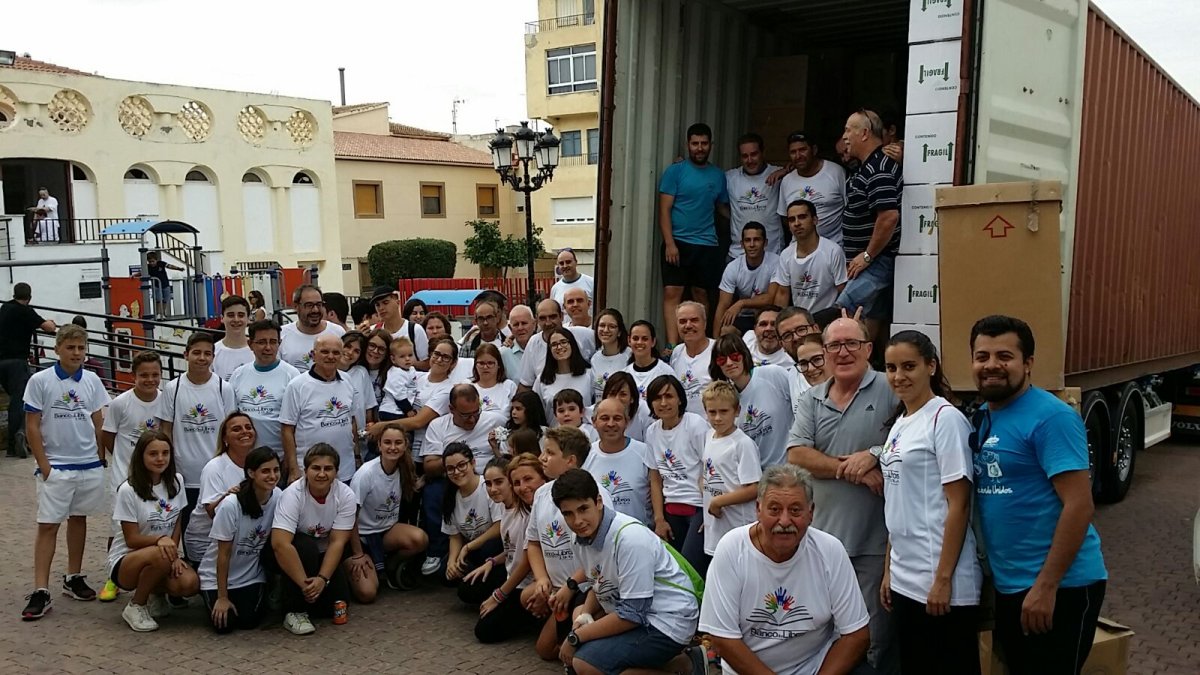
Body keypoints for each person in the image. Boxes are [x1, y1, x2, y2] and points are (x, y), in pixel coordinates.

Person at [968, 315, 1107, 674]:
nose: (992, 366)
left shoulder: (1051, 418)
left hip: (1060, 588)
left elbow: (1079, 505)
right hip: (1011, 586)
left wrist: (1047, 587)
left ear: (1028, 364)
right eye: (982, 357)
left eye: (1004, 356)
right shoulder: (984, 416)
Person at [786, 316, 897, 672]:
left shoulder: (890, 387)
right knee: (824, 637)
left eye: (852, 344)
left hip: (875, 545)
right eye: (834, 346)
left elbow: (916, 435)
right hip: (821, 544)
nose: (843, 352)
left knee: (872, 642)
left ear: (868, 349)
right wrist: (851, 471)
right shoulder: (812, 399)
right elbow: (797, 454)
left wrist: (875, 454)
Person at [877, 331, 983, 674]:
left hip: (939, 577)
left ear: (931, 366)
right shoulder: (901, 423)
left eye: (909, 366)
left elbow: (960, 505)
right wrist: (889, 570)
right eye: (891, 368)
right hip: (906, 575)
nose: (899, 376)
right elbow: (898, 502)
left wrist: (942, 579)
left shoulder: (945, 419)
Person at [699, 464, 870, 674]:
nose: (785, 521)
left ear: (811, 513)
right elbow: (723, 638)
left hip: (816, 667)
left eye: (796, 510)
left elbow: (857, 635)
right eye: (775, 509)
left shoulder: (830, 550)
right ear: (758, 510)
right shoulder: (732, 549)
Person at [552, 468, 702, 675]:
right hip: (638, 613)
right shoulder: (579, 535)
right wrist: (585, 615)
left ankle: (688, 668)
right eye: (568, 513)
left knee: (585, 664)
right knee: (580, 620)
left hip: (667, 620)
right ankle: (683, 664)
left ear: (598, 501)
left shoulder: (630, 537)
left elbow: (633, 614)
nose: (577, 521)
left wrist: (576, 637)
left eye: (583, 509)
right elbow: (598, 579)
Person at [21, 324, 108, 620]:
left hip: (87, 464)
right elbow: (32, 424)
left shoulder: (93, 380)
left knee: (79, 518)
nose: (76, 353)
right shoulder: (40, 380)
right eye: (70, 347)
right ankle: (40, 589)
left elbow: (98, 420)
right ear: (57, 349)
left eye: (81, 348)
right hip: (56, 464)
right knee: (48, 524)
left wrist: (100, 455)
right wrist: (44, 465)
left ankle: (74, 576)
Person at [267, 444, 364, 635]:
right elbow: (280, 544)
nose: (321, 474)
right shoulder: (292, 494)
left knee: (335, 605)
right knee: (305, 546)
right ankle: (293, 609)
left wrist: (322, 580)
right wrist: (305, 585)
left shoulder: (345, 495)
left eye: (328, 469)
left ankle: (305, 598)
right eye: (316, 468)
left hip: (324, 552)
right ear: (306, 471)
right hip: (291, 553)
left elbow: (337, 542)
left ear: (336, 472)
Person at [107, 430, 199, 631]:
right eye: (153, 454)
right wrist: (161, 540)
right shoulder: (128, 490)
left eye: (165, 453)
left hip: (164, 552)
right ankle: (136, 605)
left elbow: (177, 520)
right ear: (141, 456)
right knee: (161, 554)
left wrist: (174, 551)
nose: (160, 459)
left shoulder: (177, 481)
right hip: (127, 561)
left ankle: (157, 594)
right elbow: (131, 539)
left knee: (189, 584)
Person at [158, 331, 236, 541]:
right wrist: (168, 468)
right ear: (186, 355)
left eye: (207, 354)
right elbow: (165, 430)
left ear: (213, 357)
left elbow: (232, 431)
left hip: (217, 477)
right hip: (184, 476)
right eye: (196, 353)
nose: (202, 358)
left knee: (220, 533)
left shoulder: (224, 388)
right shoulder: (172, 389)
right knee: (188, 532)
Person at [99, 349, 163, 601]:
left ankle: (157, 578)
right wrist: (129, 463)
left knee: (156, 523)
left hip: (156, 478)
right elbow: (108, 436)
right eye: (144, 375)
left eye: (155, 375)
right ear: (133, 375)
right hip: (123, 477)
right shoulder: (120, 403)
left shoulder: (165, 399)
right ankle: (112, 577)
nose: (150, 380)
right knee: (118, 530)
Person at [659, 122, 731, 344]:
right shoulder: (675, 172)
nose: (699, 148)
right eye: (695, 144)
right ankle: (672, 345)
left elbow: (723, 208)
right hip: (678, 243)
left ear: (711, 145)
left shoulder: (718, 175)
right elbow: (664, 210)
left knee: (702, 296)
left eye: (704, 143)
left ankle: (703, 343)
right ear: (688, 145)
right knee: (673, 294)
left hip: (707, 245)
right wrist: (670, 243)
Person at [198, 446, 281, 633]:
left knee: (249, 621)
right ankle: (210, 595)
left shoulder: (279, 497)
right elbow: (223, 553)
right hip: (217, 576)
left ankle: (273, 590)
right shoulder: (231, 505)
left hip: (250, 575)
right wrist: (222, 597)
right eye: (265, 471)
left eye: (276, 470)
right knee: (224, 625)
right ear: (251, 473)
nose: (272, 476)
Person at [838, 110, 902, 341]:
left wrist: (867, 255)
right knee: (868, 321)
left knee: (844, 313)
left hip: (877, 261)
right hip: (870, 261)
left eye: (848, 129)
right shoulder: (868, 166)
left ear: (864, 133)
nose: (844, 136)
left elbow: (889, 216)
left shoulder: (878, 168)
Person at [474, 453, 546, 643]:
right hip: (511, 571)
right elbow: (512, 546)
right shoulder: (506, 508)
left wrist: (498, 596)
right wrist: (491, 561)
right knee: (470, 587)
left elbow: (526, 560)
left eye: (499, 482)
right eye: (488, 484)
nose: (493, 489)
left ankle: (531, 617)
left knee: (484, 631)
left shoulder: (528, 513)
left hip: (526, 580)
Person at [643, 374, 709, 572]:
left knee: (691, 567)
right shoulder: (652, 431)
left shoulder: (695, 424)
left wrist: (709, 513)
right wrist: (659, 519)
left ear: (679, 399)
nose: (664, 402)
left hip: (697, 507)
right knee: (672, 569)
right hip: (670, 508)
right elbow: (655, 478)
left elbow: (711, 469)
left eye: (669, 396)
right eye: (658, 398)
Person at [350, 426, 428, 591]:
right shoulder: (366, 474)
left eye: (398, 442)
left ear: (405, 445)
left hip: (387, 530)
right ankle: (364, 562)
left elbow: (412, 486)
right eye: (387, 442)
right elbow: (350, 517)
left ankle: (390, 565)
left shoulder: (404, 467)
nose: (393, 447)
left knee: (419, 539)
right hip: (362, 535)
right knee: (368, 592)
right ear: (379, 445)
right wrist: (358, 553)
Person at [279, 334, 360, 484]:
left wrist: (357, 456)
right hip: (310, 471)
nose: (330, 356)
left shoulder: (347, 381)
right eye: (324, 352)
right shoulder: (297, 386)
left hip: (346, 469)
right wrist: (293, 468)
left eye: (336, 352)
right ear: (313, 354)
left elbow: (352, 421)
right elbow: (287, 430)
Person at [182, 412, 260, 565]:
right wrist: (227, 496)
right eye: (237, 429)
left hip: (243, 540)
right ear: (225, 438)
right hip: (207, 542)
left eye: (248, 427)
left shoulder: (259, 465)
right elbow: (212, 512)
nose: (244, 431)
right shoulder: (214, 467)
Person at [708, 333, 794, 468]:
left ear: (744, 355)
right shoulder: (728, 399)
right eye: (722, 360)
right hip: (759, 476)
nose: (729, 363)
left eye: (735, 356)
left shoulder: (774, 374)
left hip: (790, 468)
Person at [582, 398, 665, 535]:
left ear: (627, 422)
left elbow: (657, 489)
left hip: (641, 535)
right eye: (604, 418)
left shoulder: (644, 452)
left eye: (617, 418)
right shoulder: (585, 456)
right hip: (600, 538)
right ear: (594, 422)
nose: (611, 424)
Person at [699, 380, 761, 566]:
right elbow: (706, 475)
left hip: (737, 525)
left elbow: (754, 488)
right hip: (715, 527)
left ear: (737, 411)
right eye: (712, 412)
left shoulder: (742, 444)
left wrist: (718, 502)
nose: (717, 418)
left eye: (724, 411)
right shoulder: (709, 436)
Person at [441, 443, 505, 604]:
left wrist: (468, 546)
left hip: (494, 548)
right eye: (450, 468)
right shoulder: (450, 496)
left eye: (462, 465)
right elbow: (454, 535)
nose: (456, 472)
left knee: (488, 548)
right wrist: (452, 561)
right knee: (445, 570)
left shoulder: (487, 486)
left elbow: (499, 526)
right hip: (472, 551)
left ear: (473, 463)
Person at [229, 319, 301, 458]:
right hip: (246, 458)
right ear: (250, 344)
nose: (268, 347)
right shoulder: (238, 374)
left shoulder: (292, 375)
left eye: (273, 342)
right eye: (261, 342)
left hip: (280, 458)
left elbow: (296, 424)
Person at [0, 282, 57, 457]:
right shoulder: (25, 311)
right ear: (29, 297)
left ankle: (19, 437)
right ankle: (15, 442)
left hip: (1, 362)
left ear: (14, 294)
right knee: (20, 401)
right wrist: (51, 323)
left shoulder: (5, 308)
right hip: (17, 362)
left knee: (15, 399)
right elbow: (48, 327)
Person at [770, 199, 848, 312]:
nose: (797, 223)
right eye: (792, 219)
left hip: (828, 319)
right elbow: (783, 293)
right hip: (800, 320)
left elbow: (843, 291)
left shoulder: (833, 251)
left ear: (815, 220)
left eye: (802, 217)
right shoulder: (786, 255)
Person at [776, 131, 848, 246]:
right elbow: (785, 217)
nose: (798, 156)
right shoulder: (787, 181)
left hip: (833, 248)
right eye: (793, 152)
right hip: (799, 250)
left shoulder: (836, 172)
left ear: (814, 150)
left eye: (802, 150)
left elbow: (849, 209)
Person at [714, 223, 781, 334]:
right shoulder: (733, 267)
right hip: (744, 317)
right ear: (742, 244)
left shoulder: (776, 262)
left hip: (768, 316)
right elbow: (723, 305)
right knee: (726, 330)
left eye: (757, 240)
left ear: (765, 243)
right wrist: (715, 341)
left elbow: (770, 298)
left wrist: (741, 303)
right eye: (747, 240)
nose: (752, 244)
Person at [726, 133, 783, 257]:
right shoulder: (730, 178)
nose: (750, 160)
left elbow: (802, 168)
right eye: (745, 156)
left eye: (754, 154)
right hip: (738, 254)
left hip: (772, 253)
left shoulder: (777, 174)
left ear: (763, 152)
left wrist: (786, 171)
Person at [518, 299, 597, 390]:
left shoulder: (583, 335)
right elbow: (525, 384)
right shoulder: (533, 343)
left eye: (552, 317)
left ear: (561, 316)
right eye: (543, 318)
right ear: (537, 320)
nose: (548, 322)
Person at [279, 285, 347, 372]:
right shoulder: (282, 334)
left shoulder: (337, 332)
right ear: (296, 306)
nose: (315, 310)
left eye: (319, 305)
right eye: (309, 305)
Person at [533, 328, 594, 424]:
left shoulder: (589, 375)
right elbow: (537, 413)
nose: (559, 347)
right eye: (554, 344)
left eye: (563, 342)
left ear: (572, 344)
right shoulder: (542, 380)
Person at [669, 301, 716, 413]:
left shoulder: (718, 350)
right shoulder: (677, 352)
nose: (688, 325)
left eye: (694, 320)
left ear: (704, 323)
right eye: (682, 321)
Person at [371, 287, 430, 363]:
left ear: (397, 302)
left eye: (385, 302)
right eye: (377, 305)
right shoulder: (373, 330)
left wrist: (405, 363)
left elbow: (426, 363)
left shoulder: (415, 330)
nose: (381, 308)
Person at [340, 331, 379, 439]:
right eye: (347, 346)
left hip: (359, 439)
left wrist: (369, 425)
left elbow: (368, 406)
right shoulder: (327, 372)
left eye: (356, 351)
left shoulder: (361, 372)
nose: (350, 352)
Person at [622, 320, 675, 400]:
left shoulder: (666, 372)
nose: (639, 342)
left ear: (653, 342)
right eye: (635, 338)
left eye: (645, 339)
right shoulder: (624, 374)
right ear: (629, 341)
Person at [492, 390, 550, 457]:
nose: (513, 412)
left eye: (518, 409)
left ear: (530, 410)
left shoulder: (544, 433)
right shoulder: (508, 434)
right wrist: (495, 448)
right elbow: (505, 461)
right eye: (512, 408)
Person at [588, 309, 630, 401]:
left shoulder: (630, 355)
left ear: (619, 332)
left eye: (612, 326)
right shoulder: (595, 358)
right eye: (602, 325)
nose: (606, 330)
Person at [213, 295, 253, 381]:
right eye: (231, 315)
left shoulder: (257, 351)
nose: (236, 319)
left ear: (248, 318)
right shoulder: (213, 352)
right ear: (222, 318)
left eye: (241, 315)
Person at [472, 343, 516, 417]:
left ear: (499, 365)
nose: (485, 367)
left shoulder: (509, 386)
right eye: (481, 363)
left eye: (490, 363)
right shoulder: (467, 386)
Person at [500, 304, 535, 382]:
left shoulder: (544, 349)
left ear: (534, 324)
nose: (520, 328)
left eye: (524, 323)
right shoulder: (503, 354)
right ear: (510, 328)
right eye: (516, 324)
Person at [145, 252, 184, 319]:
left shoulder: (161, 263)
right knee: (158, 299)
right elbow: (141, 272)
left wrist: (178, 268)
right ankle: (157, 314)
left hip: (165, 284)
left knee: (165, 300)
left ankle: (162, 313)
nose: (151, 263)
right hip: (156, 285)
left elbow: (170, 266)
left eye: (153, 261)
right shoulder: (148, 267)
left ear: (156, 260)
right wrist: (134, 275)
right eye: (150, 262)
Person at [364, 328, 392, 405]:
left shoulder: (392, 374)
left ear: (387, 354)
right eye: (372, 345)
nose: (375, 351)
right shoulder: (355, 370)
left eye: (381, 349)